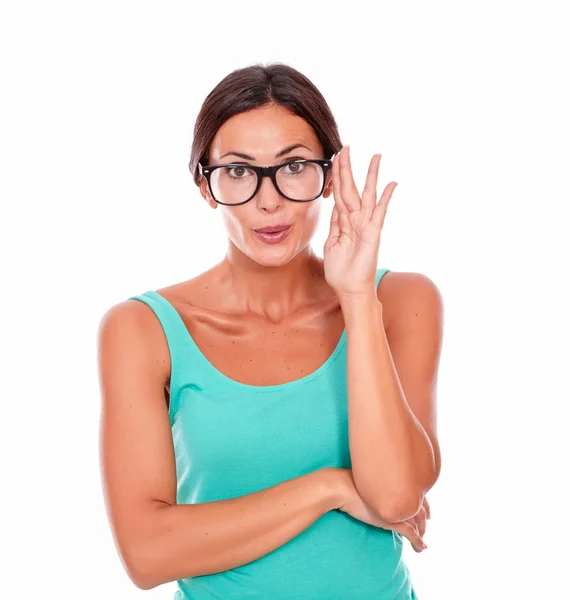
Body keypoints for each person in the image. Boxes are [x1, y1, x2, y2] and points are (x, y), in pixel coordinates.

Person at [97, 62, 443, 599]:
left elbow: (397, 496)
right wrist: (328, 489)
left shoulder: (401, 301)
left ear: (328, 176)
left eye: (294, 166)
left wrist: (356, 300)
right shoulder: (141, 330)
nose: (269, 199)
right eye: (237, 171)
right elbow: (147, 555)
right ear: (204, 186)